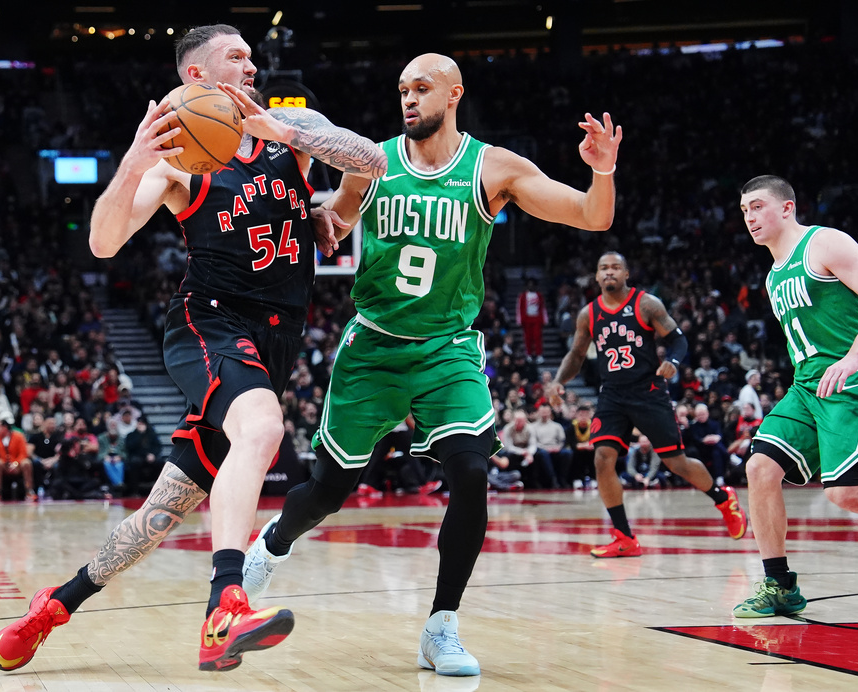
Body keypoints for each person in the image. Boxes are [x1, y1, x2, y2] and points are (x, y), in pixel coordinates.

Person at [0, 23, 385, 674]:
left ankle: (50, 608)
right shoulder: (178, 154)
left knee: (158, 514)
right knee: (262, 427)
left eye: (253, 56)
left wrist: (321, 187)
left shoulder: (292, 129)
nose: (252, 66)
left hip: (272, 345)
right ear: (197, 77)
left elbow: (372, 161)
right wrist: (133, 164)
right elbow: (104, 242)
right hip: (209, 325)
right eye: (237, 57)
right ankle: (224, 606)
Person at [241, 52, 620, 678]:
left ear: (454, 94)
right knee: (328, 492)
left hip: (447, 347)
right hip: (374, 347)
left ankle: (441, 625)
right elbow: (340, 214)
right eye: (401, 89)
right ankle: (274, 544)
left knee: (471, 471)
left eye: (421, 88)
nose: (409, 99)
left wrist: (602, 172)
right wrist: (324, 219)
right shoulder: (374, 158)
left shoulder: (492, 166)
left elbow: (592, 215)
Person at [732, 175, 858, 617]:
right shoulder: (774, 275)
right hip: (808, 384)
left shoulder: (823, 243)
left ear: (787, 208)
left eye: (757, 206)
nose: (750, 217)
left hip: (857, 376)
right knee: (760, 467)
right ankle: (779, 585)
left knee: (847, 493)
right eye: (744, 211)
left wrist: (852, 358)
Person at [554, 252, 747, 557]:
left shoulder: (646, 304)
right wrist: (558, 382)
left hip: (648, 392)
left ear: (626, 273)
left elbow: (679, 340)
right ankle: (624, 536)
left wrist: (672, 361)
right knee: (602, 457)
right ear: (596, 276)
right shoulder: (588, 314)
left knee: (676, 463)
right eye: (603, 268)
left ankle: (722, 497)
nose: (609, 273)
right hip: (613, 394)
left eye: (615, 267)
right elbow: (576, 355)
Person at [516, 277, 548, 362]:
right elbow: (519, 308)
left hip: (537, 318)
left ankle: (539, 354)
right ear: (527, 286)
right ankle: (529, 354)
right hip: (527, 319)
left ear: (535, 286)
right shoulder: (523, 296)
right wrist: (519, 320)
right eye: (529, 285)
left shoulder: (539, 295)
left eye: (533, 285)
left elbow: (543, 308)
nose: (531, 286)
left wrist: (545, 319)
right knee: (528, 337)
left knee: (537, 337)